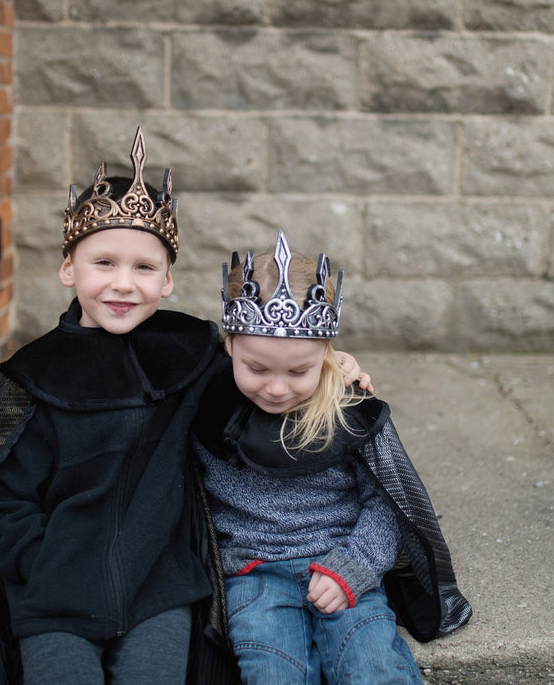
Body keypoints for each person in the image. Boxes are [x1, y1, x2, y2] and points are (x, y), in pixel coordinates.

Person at [0, 129, 226, 685]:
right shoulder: (33, 377)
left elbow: (262, 391)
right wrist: (43, 561)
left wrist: (331, 371)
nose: (123, 284)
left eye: (144, 268)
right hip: (54, 591)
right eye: (103, 262)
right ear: (68, 270)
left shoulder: (193, 355)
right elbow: (1, 498)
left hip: (160, 586)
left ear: (168, 280)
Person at [192, 231, 472, 685]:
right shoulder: (206, 401)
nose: (277, 388)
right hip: (253, 573)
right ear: (229, 345)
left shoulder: (346, 409)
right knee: (271, 672)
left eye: (299, 370)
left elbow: (387, 500)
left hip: (342, 561)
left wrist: (355, 567)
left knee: (372, 667)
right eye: (257, 368)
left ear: (326, 352)